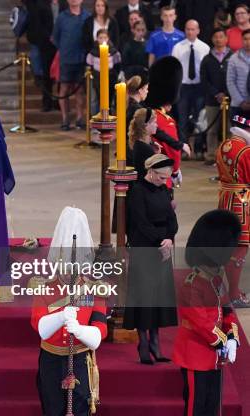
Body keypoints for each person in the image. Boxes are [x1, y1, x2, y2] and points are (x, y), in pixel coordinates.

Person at [31, 206, 107, 416]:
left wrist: (81, 331)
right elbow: (40, 327)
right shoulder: (44, 287)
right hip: (51, 361)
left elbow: (100, 332)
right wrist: (61, 317)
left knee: (81, 409)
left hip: (81, 360)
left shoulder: (94, 289)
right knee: (53, 409)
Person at [174, 210, 241, 416]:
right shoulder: (190, 284)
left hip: (215, 357)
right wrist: (223, 341)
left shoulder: (216, 281)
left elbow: (227, 311)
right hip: (195, 354)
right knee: (197, 406)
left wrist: (232, 337)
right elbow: (201, 322)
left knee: (213, 406)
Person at [123, 154, 179, 364]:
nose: (163, 181)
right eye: (161, 176)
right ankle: (143, 343)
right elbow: (140, 222)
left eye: (166, 177)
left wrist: (169, 239)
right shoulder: (137, 191)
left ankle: (155, 342)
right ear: (151, 172)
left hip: (162, 247)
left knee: (158, 296)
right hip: (145, 247)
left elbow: (172, 220)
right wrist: (160, 241)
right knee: (144, 296)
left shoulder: (164, 190)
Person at [215, 114, 250, 307]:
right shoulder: (246, 151)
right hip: (242, 202)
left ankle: (223, 289)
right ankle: (234, 294)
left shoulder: (224, 145)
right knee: (239, 249)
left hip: (226, 198)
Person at [125, 74, 191, 164]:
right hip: (133, 152)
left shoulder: (129, 105)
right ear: (140, 91)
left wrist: (151, 143)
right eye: (146, 89)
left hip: (129, 150)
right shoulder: (139, 110)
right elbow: (157, 131)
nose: (147, 92)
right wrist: (180, 145)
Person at [171, 19, 210, 159]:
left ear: (198, 30)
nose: (190, 32)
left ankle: (199, 149)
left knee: (200, 119)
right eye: (187, 29)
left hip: (199, 87)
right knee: (182, 120)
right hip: (184, 87)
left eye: (193, 29)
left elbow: (207, 70)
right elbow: (174, 69)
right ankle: (184, 149)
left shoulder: (205, 48)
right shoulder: (178, 47)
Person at [146, 56, 184, 189]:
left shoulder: (145, 114)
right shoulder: (165, 121)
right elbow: (173, 151)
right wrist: (175, 171)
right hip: (161, 175)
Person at [52, 0, 89, 131]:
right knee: (64, 90)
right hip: (66, 59)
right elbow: (55, 38)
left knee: (80, 91)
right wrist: (64, 49)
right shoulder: (62, 17)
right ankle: (65, 119)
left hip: (81, 59)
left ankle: (80, 118)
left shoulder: (87, 16)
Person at [201, 28, 233, 165]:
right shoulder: (207, 59)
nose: (218, 39)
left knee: (230, 129)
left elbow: (235, 78)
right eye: (216, 37)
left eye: (221, 36)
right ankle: (211, 156)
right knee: (212, 130)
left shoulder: (233, 57)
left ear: (226, 39)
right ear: (212, 39)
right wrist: (216, 94)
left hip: (231, 99)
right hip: (212, 100)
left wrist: (226, 93)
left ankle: (230, 156)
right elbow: (204, 80)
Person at [23, 0, 60, 112]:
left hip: (61, 44)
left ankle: (59, 101)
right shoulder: (41, 4)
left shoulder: (63, 4)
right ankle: (47, 102)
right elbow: (38, 24)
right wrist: (49, 37)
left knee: (60, 76)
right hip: (46, 43)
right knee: (46, 73)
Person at [86, 29, 121, 114]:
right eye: (100, 38)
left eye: (105, 38)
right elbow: (89, 65)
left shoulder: (114, 52)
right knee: (96, 99)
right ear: (96, 39)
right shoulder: (92, 53)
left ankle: (110, 118)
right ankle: (95, 118)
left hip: (110, 77)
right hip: (96, 78)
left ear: (108, 38)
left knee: (110, 99)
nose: (103, 40)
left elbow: (117, 65)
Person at [128, 107, 159, 180]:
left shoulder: (139, 142)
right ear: (146, 124)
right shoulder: (144, 148)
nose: (156, 125)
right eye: (154, 122)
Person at [226, 29, 250, 119]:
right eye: (245, 39)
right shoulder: (234, 58)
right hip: (238, 106)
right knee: (239, 132)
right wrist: (241, 102)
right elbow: (230, 82)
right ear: (242, 40)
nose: (248, 42)